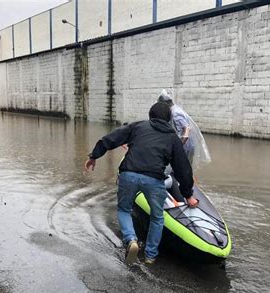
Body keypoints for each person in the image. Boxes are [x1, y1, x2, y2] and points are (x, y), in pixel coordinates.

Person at [84, 102, 198, 265]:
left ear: (150, 115)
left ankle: (131, 240)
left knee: (124, 209)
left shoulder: (138, 127)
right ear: (169, 119)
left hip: (128, 175)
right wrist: (188, 195)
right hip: (154, 179)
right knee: (157, 218)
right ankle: (151, 256)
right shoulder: (173, 137)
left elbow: (111, 139)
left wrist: (93, 156)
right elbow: (183, 169)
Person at [157, 89, 211, 167]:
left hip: (186, 146)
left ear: (165, 104)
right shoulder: (175, 110)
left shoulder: (176, 114)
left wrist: (178, 145)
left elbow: (187, 128)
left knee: (184, 169)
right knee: (186, 169)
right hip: (186, 146)